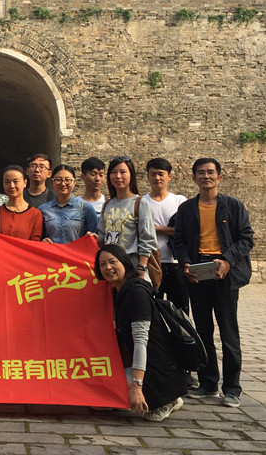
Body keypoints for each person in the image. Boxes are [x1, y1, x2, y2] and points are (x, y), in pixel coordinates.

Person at [173, 158, 254, 408]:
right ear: (194, 178)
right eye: (201, 173)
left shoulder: (233, 206)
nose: (206, 176)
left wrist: (228, 260)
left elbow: (246, 238)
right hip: (198, 272)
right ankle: (208, 383)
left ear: (219, 177)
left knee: (229, 333)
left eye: (210, 172)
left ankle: (232, 388)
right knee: (203, 331)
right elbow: (179, 240)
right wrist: (186, 263)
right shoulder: (187, 209)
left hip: (225, 273)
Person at [95, 244, 187, 422]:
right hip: (143, 364)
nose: (108, 267)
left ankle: (169, 398)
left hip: (156, 368)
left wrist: (136, 387)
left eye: (112, 262)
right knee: (98, 402)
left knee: (103, 395)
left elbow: (141, 342)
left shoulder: (137, 293)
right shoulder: (116, 292)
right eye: (102, 264)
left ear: (124, 262)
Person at [97, 156, 158, 279]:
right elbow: (102, 236)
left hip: (133, 267)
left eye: (123, 172)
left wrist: (142, 267)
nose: (118, 176)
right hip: (111, 271)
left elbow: (147, 239)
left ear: (131, 175)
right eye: (114, 172)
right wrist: (93, 238)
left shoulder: (140, 203)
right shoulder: (107, 204)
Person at [144, 158, 189, 313]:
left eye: (161, 174)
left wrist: (156, 229)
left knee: (179, 310)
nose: (157, 178)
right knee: (152, 309)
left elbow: (184, 231)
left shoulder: (179, 201)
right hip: (151, 262)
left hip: (175, 263)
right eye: (153, 174)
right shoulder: (141, 202)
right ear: (148, 177)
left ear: (169, 176)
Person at [39, 165, 98, 244]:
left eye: (67, 180)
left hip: (76, 251)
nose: (63, 184)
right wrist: (43, 241)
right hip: (51, 251)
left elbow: (94, 239)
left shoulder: (86, 208)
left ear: (74, 182)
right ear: (53, 182)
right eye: (58, 180)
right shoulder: (43, 209)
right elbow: (38, 238)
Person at [0, 165, 43, 240]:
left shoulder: (35, 214)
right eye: (7, 182)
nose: (11, 186)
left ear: (25, 183)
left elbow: (35, 243)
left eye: (16, 181)